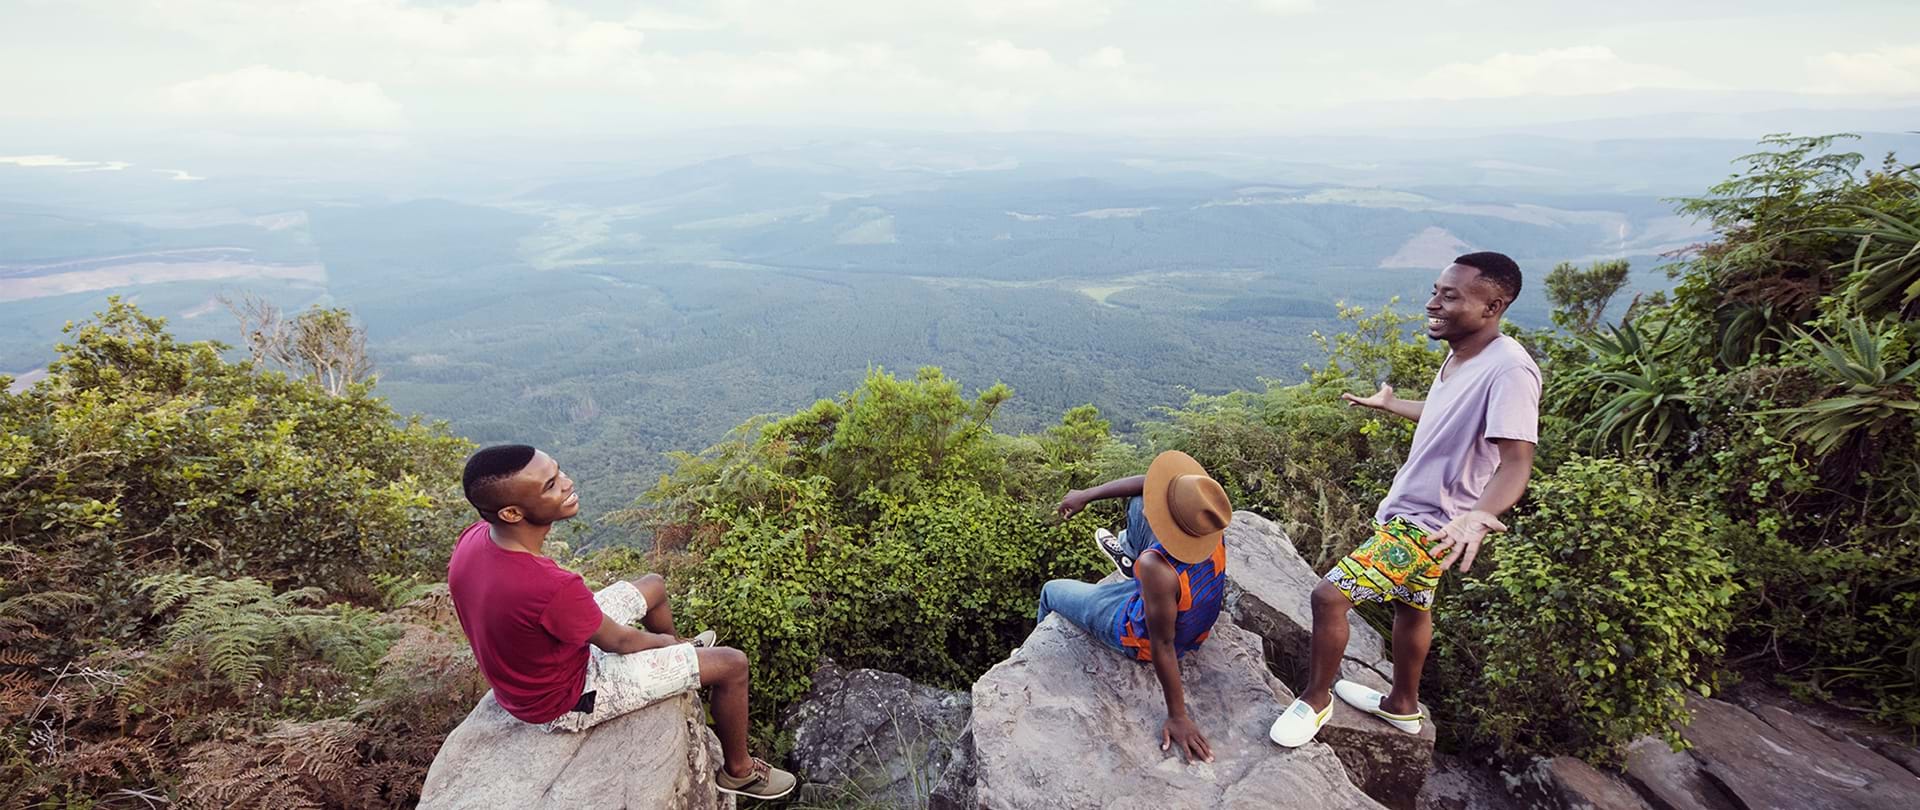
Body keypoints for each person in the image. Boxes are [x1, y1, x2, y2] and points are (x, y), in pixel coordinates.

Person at [1269, 252, 1540, 754]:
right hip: (1426, 517)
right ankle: (1403, 705)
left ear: (1494, 305)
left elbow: (1517, 459)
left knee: (1329, 596)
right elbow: (1450, 416)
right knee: (1411, 607)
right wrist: (1395, 406)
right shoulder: (1464, 353)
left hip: (1430, 525)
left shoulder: (1510, 371)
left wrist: (1482, 514)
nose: (1433, 303)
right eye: (1436, 290)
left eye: (1450, 296)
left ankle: (1315, 699)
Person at [447, 444, 796, 800]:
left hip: (539, 659)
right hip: (565, 698)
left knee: (653, 587)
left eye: (558, 472)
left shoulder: (473, 540)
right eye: (550, 485)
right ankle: (740, 772)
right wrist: (668, 647)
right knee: (731, 664)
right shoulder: (548, 586)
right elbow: (620, 643)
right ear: (510, 512)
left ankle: (682, 671)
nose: (567, 483)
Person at [1047, 450, 1234, 764]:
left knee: (1050, 592)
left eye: (1159, 508)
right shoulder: (1205, 519)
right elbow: (1146, 484)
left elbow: (1163, 642)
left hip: (1140, 633)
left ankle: (1049, 661)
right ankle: (1127, 564)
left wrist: (1178, 716)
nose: (1151, 511)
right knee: (1136, 502)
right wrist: (1087, 495)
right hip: (1190, 609)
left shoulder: (1154, 565)